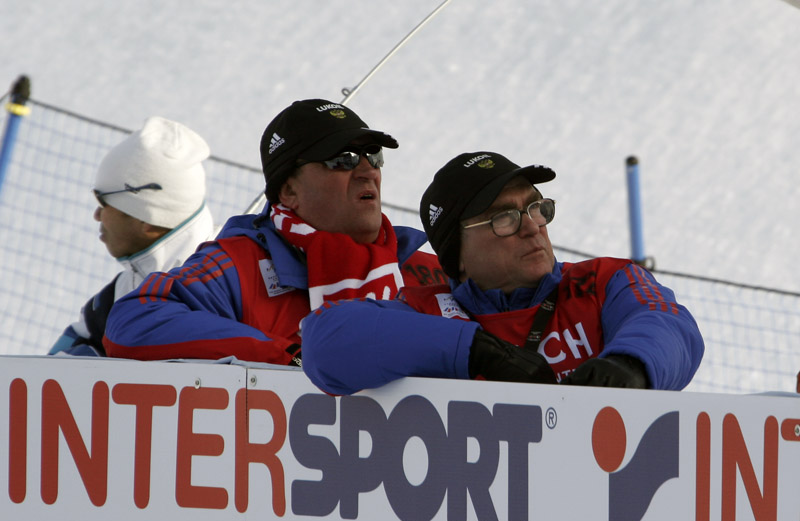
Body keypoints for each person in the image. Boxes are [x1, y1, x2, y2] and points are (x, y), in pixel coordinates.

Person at [300, 151, 705, 394]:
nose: (532, 226)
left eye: (535, 208)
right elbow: (324, 342)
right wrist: (473, 351)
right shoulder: (427, 311)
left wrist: (630, 367)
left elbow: (671, 325)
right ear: (457, 255)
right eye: (504, 218)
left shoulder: (602, 281)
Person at [103, 99, 445, 364]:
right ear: (289, 191)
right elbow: (134, 322)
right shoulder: (242, 265)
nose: (368, 171)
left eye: (373, 155)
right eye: (343, 159)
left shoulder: (425, 265)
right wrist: (290, 359)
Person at [48, 116, 215, 356]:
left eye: (103, 201)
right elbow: (48, 369)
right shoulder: (116, 299)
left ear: (146, 220)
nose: (96, 215)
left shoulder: (231, 289)